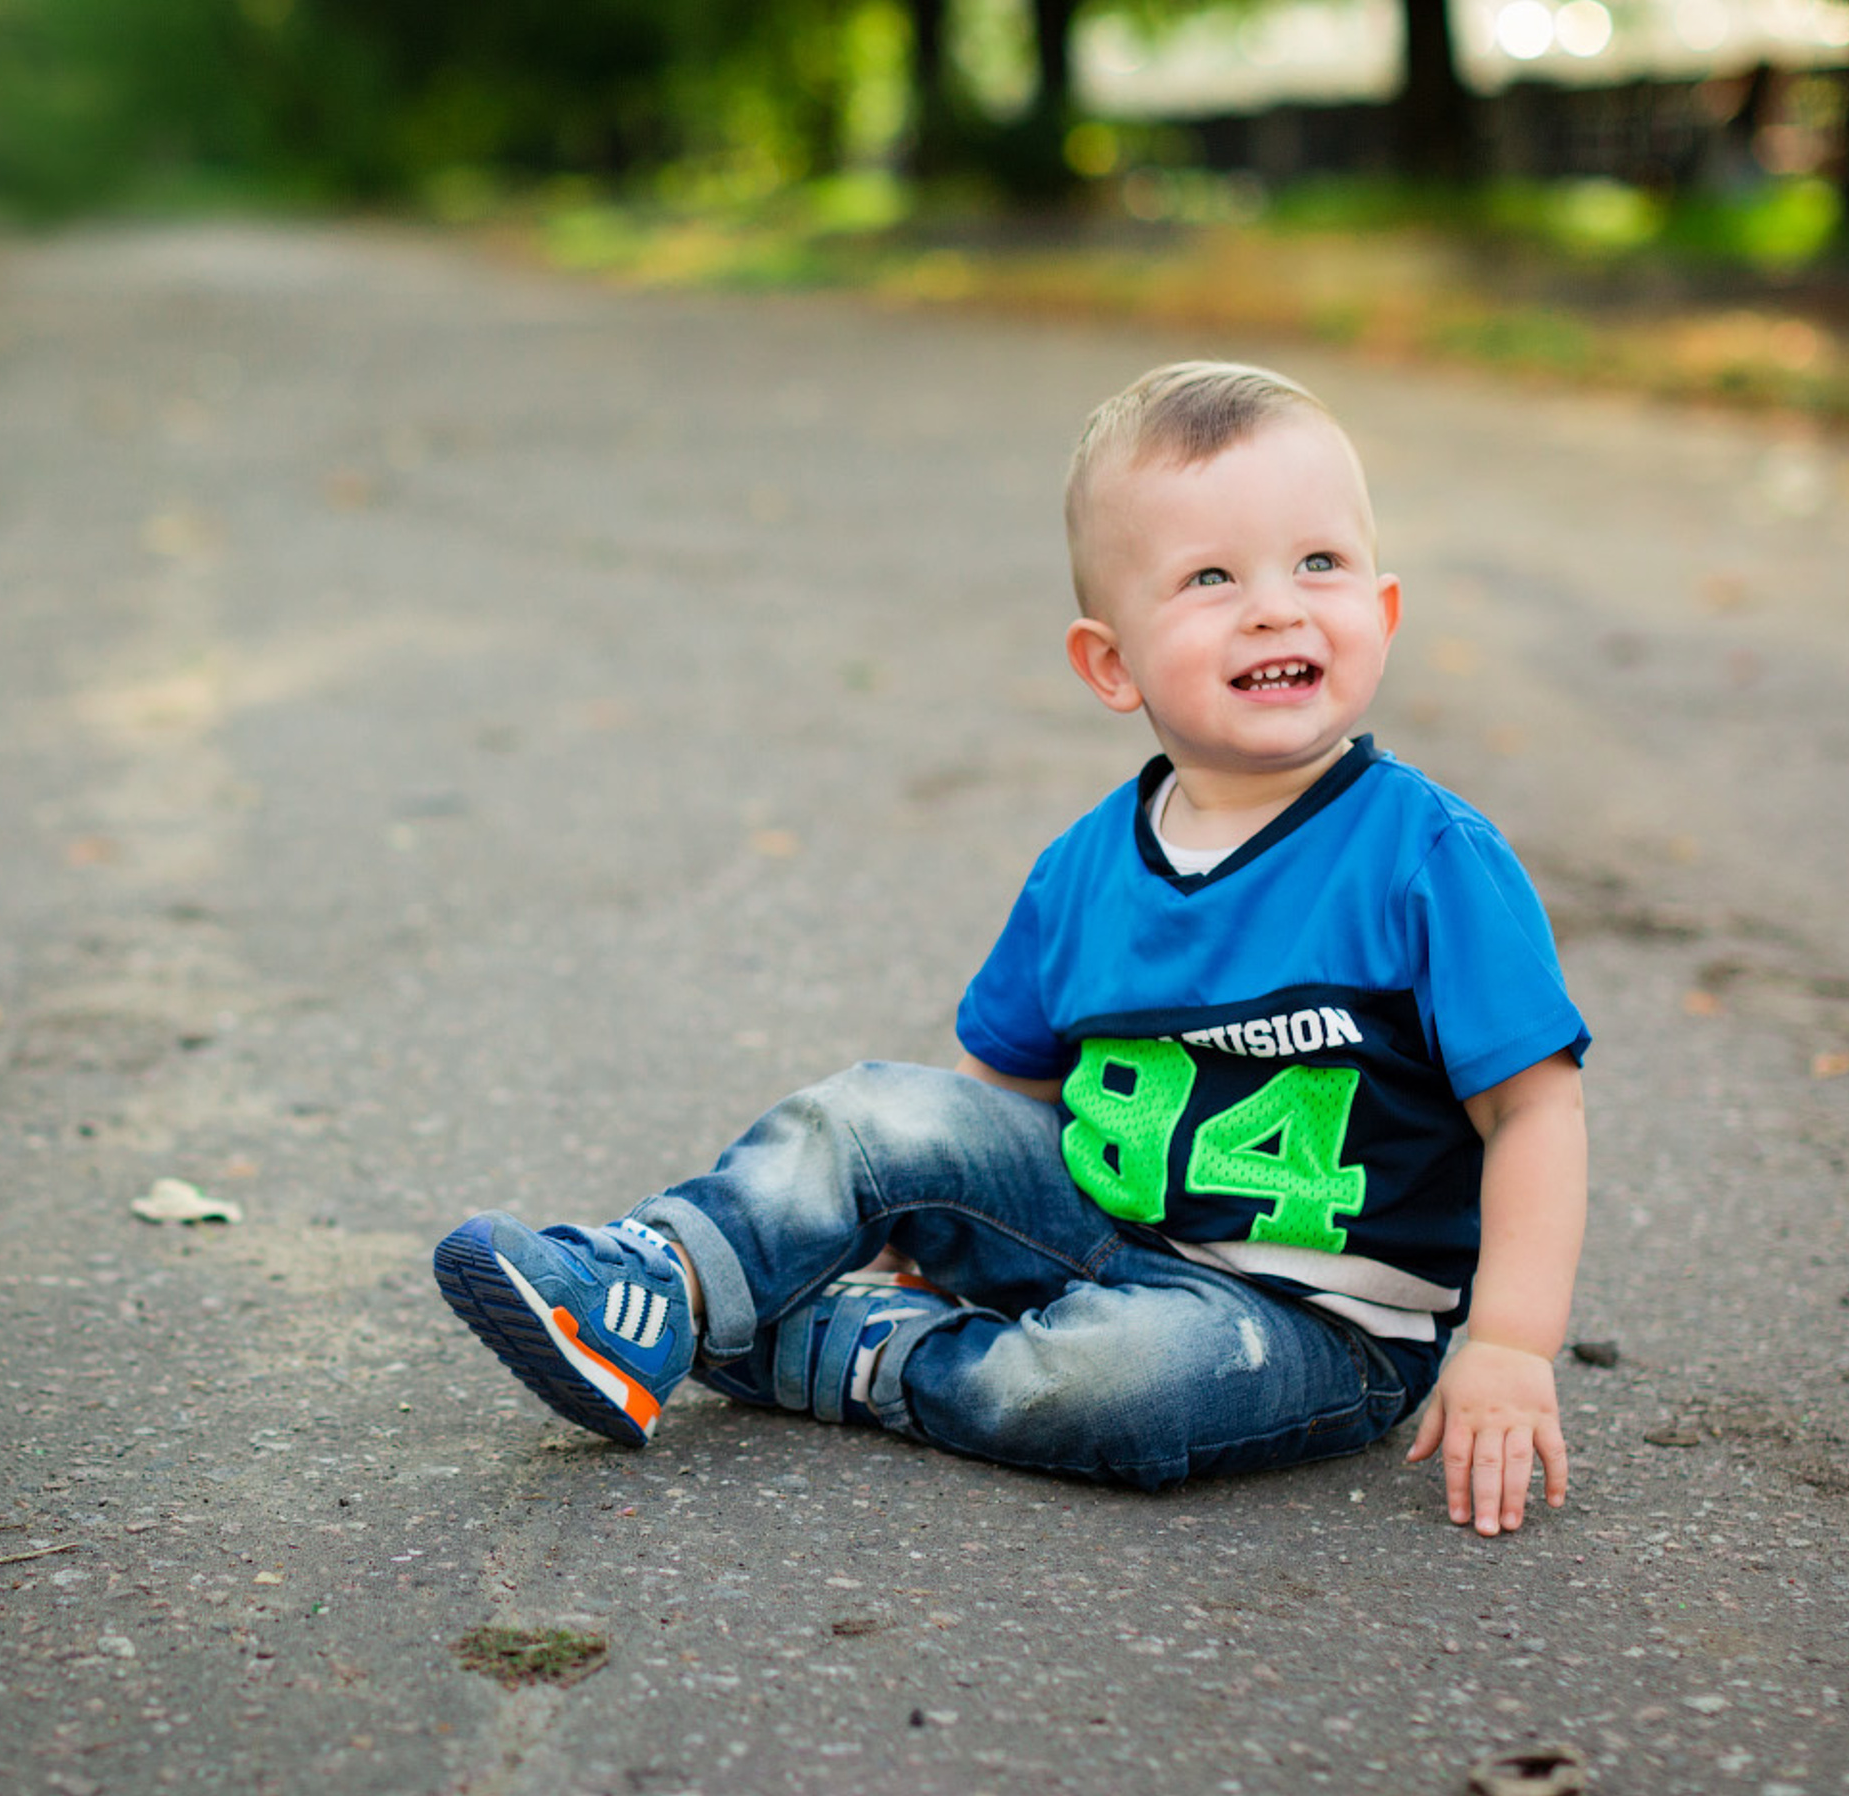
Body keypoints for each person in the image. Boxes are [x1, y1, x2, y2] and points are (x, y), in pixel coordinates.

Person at [434, 360, 1589, 1538]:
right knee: (874, 1114)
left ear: (1382, 612)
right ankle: (653, 1288)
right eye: (1209, 577)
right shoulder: (1086, 869)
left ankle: (848, 1353)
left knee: (1115, 1388)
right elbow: (989, 1103)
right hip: (1090, 1234)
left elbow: (1534, 1112)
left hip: (1306, 1327)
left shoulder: (1424, 856)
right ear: (1112, 663)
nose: (1276, 607)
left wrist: (1506, 1342)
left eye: (1319, 564)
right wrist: (944, 1234)